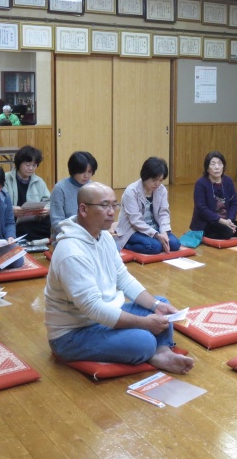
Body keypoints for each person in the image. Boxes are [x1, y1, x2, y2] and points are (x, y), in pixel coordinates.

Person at [45, 182, 195, 374]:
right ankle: (153, 349)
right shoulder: (71, 252)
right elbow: (93, 308)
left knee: (161, 306)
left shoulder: (105, 237)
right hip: (73, 334)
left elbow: (123, 278)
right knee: (143, 341)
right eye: (104, 205)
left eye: (114, 205)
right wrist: (143, 323)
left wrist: (155, 305)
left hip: (104, 315)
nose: (112, 212)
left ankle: (162, 352)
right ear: (83, 209)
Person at [115, 157, 180, 254]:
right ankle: (125, 244)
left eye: (160, 180)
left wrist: (164, 232)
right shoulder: (131, 191)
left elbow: (164, 213)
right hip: (133, 229)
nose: (157, 183)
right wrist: (156, 235)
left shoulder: (161, 190)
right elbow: (135, 221)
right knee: (155, 247)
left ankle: (153, 240)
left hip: (154, 227)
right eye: (154, 180)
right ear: (145, 176)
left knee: (175, 244)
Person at [190, 151, 237, 240]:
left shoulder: (228, 181)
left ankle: (227, 228)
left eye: (220, 164)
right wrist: (221, 221)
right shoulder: (201, 183)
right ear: (207, 168)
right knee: (227, 232)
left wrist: (230, 220)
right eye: (213, 164)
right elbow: (201, 208)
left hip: (225, 220)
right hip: (207, 222)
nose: (217, 167)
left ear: (223, 166)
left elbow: (234, 203)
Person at [4, 145, 51, 240]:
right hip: (13, 220)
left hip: (33, 221)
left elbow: (49, 201)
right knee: (22, 229)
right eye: (28, 165)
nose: (31, 168)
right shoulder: (6, 179)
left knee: (50, 224)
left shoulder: (39, 181)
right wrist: (11, 210)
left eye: (34, 165)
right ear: (19, 163)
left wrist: (47, 209)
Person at [49, 151, 97, 236]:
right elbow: (57, 222)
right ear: (73, 170)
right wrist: (77, 234)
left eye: (90, 171)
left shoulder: (93, 187)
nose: (86, 176)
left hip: (89, 234)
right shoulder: (60, 189)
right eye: (82, 172)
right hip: (66, 236)